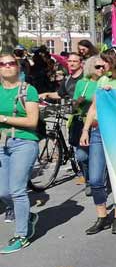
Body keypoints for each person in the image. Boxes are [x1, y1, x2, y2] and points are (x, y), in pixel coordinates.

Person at [80, 48, 116, 235]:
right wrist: (85, 129)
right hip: (99, 132)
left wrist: (114, 95)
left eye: (104, 61)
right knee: (96, 177)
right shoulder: (102, 80)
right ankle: (102, 216)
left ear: (114, 62)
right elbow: (94, 107)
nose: (101, 65)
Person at [0, 49, 41, 254]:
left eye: (11, 63)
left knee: (17, 190)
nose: (7, 66)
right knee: (3, 192)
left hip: (24, 142)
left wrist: (4, 119)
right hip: (1, 144)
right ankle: (29, 216)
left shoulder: (28, 90)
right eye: (3, 64)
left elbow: (32, 122)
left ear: (18, 67)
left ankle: (22, 235)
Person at [70, 56, 106, 195]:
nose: (101, 69)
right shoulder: (82, 84)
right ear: (91, 67)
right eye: (97, 67)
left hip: (99, 123)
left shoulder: (106, 82)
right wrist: (77, 102)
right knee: (82, 156)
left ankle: (96, 181)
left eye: (103, 66)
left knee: (98, 155)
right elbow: (74, 107)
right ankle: (89, 179)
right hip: (83, 122)